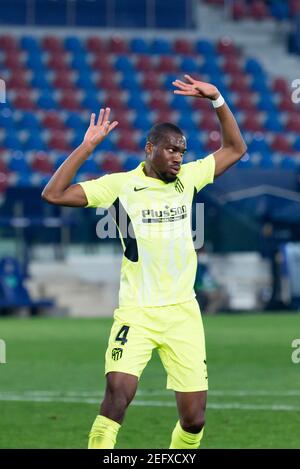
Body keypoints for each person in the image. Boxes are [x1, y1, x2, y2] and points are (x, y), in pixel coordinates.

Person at [42, 75, 247, 449]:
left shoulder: (188, 178)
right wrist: (85, 148)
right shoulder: (119, 185)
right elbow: (53, 194)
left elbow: (235, 148)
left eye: (182, 152)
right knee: (117, 396)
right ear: (149, 148)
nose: (178, 158)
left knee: (194, 418)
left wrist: (217, 97)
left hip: (183, 313)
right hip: (136, 312)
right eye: (171, 150)